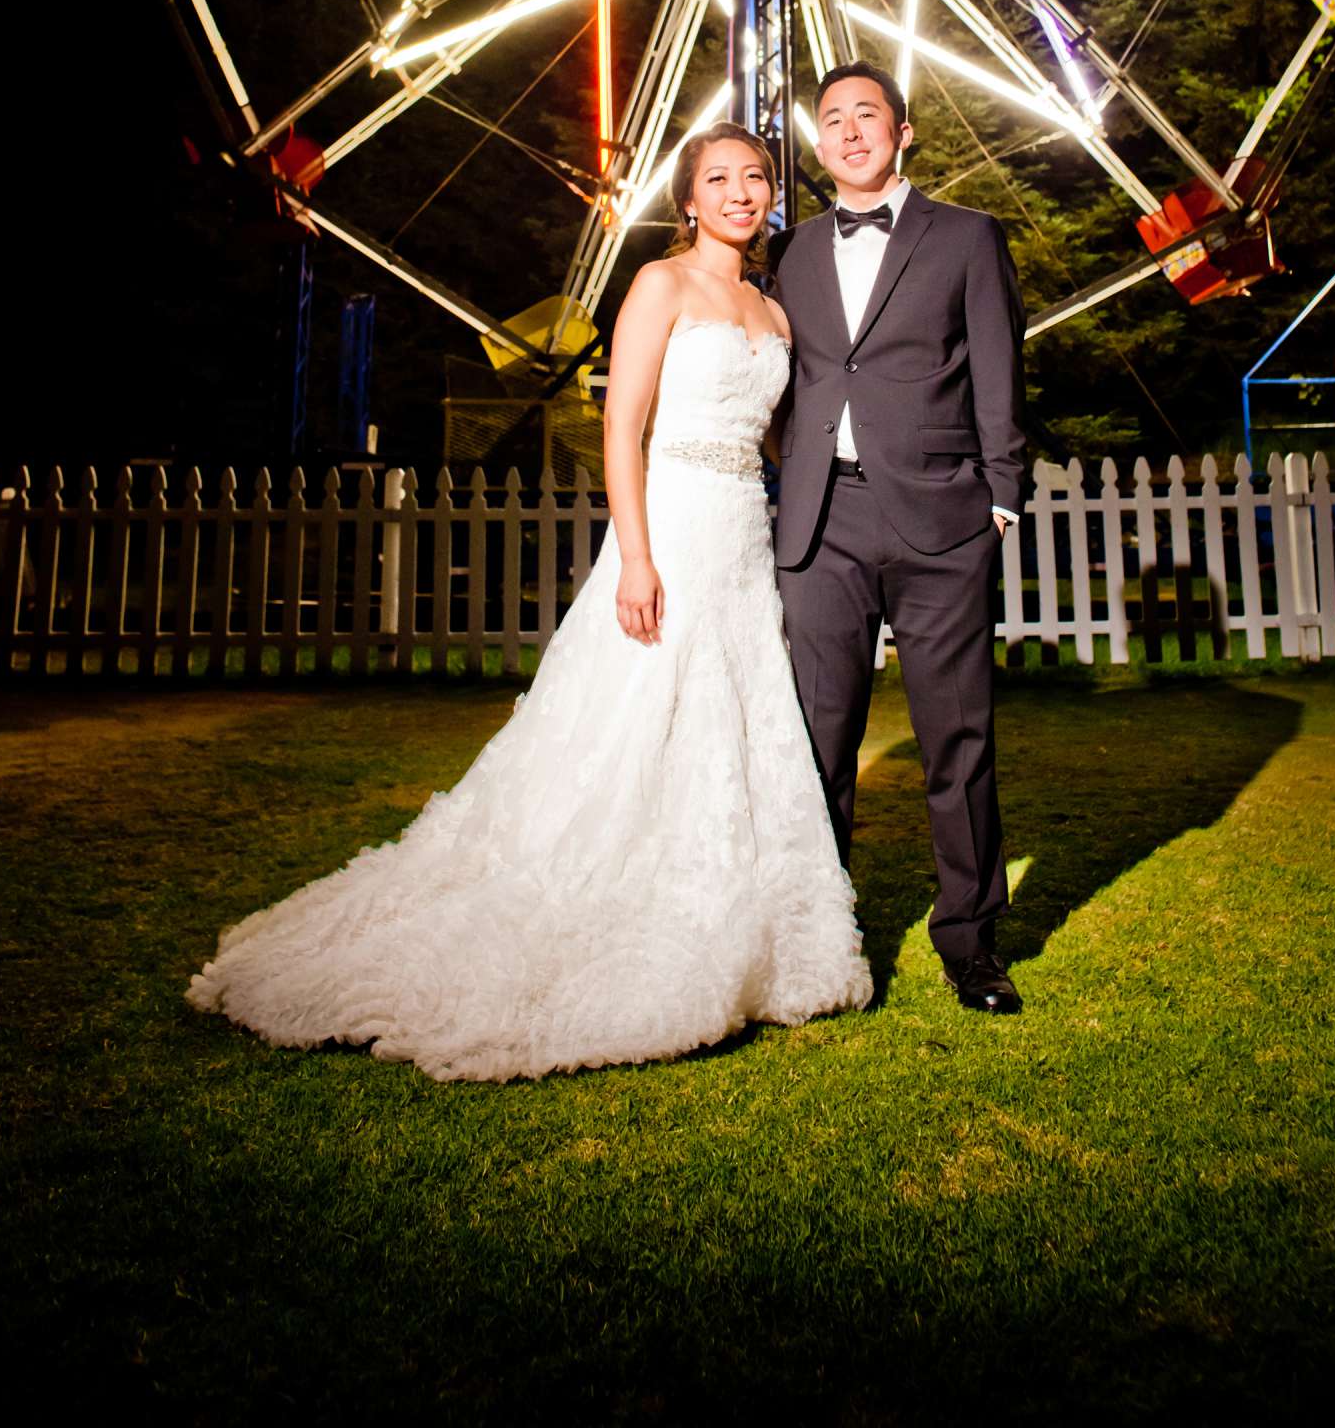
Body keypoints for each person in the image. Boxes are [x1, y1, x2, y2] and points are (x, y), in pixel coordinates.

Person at [186, 126, 871, 1082]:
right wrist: (634, 557)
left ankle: (733, 905)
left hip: (743, 542)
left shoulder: (772, 308)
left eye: (754, 178)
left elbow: (780, 439)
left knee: (737, 719)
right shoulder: (660, 287)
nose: (740, 192)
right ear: (689, 201)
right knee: (629, 721)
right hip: (671, 526)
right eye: (718, 179)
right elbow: (621, 427)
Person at [771, 62, 1028, 1015]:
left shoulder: (964, 237)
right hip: (822, 525)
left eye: (866, 115)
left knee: (956, 739)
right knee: (814, 743)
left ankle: (970, 942)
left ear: (904, 131)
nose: (847, 132)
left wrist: (999, 498)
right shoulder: (790, 252)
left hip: (940, 521)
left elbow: (999, 366)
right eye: (831, 118)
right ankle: (821, 933)